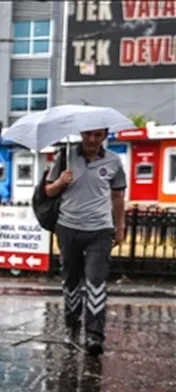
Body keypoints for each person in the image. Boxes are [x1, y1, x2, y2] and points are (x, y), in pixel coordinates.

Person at [43, 127, 127, 356]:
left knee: (95, 282)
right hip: (68, 229)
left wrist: (119, 227)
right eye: (88, 134)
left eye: (98, 135)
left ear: (105, 136)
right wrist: (60, 181)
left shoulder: (113, 161)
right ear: (81, 134)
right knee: (71, 281)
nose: (92, 139)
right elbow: (48, 192)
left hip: (100, 231)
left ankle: (94, 336)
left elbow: (118, 197)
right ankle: (72, 325)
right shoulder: (65, 156)